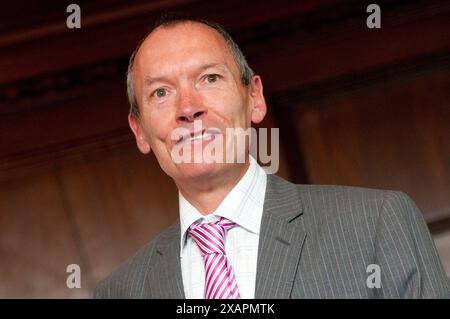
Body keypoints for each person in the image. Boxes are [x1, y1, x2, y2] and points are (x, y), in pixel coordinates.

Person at [94, 15, 450, 299]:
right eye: (161, 92)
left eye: (210, 78)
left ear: (255, 99)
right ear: (139, 130)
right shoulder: (121, 292)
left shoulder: (374, 224)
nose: (188, 108)